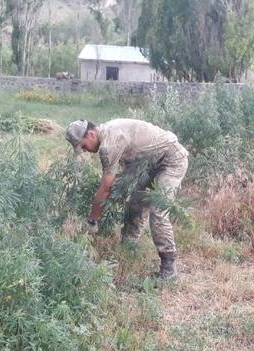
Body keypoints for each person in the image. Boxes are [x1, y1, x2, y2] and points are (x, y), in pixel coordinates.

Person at [66, 118, 189, 280]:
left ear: (91, 134)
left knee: (158, 210)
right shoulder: (107, 132)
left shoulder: (108, 146)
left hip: (171, 160)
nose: (84, 150)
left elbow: (105, 188)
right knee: (135, 203)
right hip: (147, 164)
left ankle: (169, 268)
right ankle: (128, 248)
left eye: (83, 146)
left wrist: (92, 221)